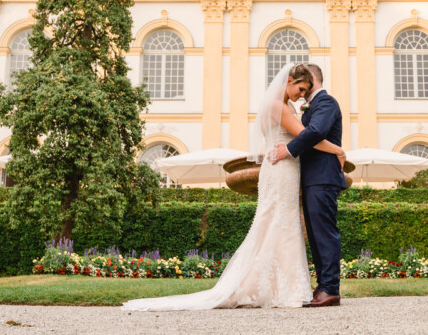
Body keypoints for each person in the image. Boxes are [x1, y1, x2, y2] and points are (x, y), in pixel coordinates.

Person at [122, 63, 345, 311]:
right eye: (300, 89)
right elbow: (308, 134)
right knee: (278, 224)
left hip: (291, 170)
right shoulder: (277, 106)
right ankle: (284, 287)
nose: (302, 95)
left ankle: (303, 287)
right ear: (289, 80)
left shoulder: (299, 105)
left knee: (287, 226)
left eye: (306, 91)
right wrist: (337, 149)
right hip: (282, 169)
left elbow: (307, 135)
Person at [271, 63, 348, 307]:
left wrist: (288, 149)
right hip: (313, 178)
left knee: (324, 233)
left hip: (322, 178)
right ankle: (323, 287)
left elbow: (315, 131)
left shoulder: (326, 102)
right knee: (315, 235)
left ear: (312, 78)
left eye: (305, 87)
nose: (302, 94)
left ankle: (330, 289)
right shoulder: (313, 105)